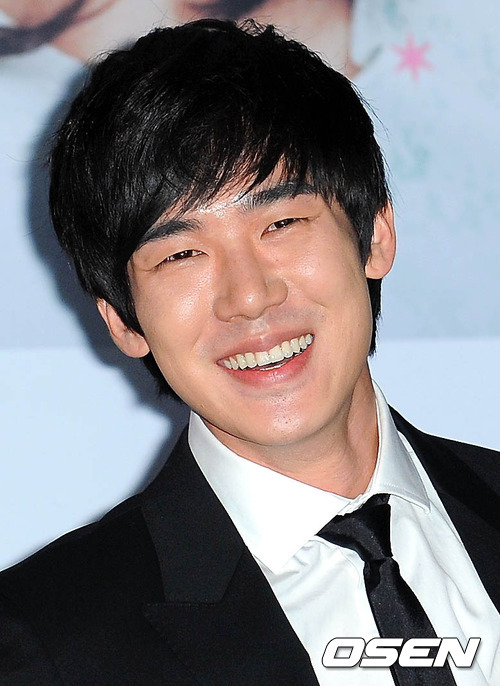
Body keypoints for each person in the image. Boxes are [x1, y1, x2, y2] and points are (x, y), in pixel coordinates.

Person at [0, 18, 498, 685]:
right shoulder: (45, 646)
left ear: (376, 234)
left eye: (281, 222)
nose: (250, 296)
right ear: (122, 319)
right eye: (182, 254)